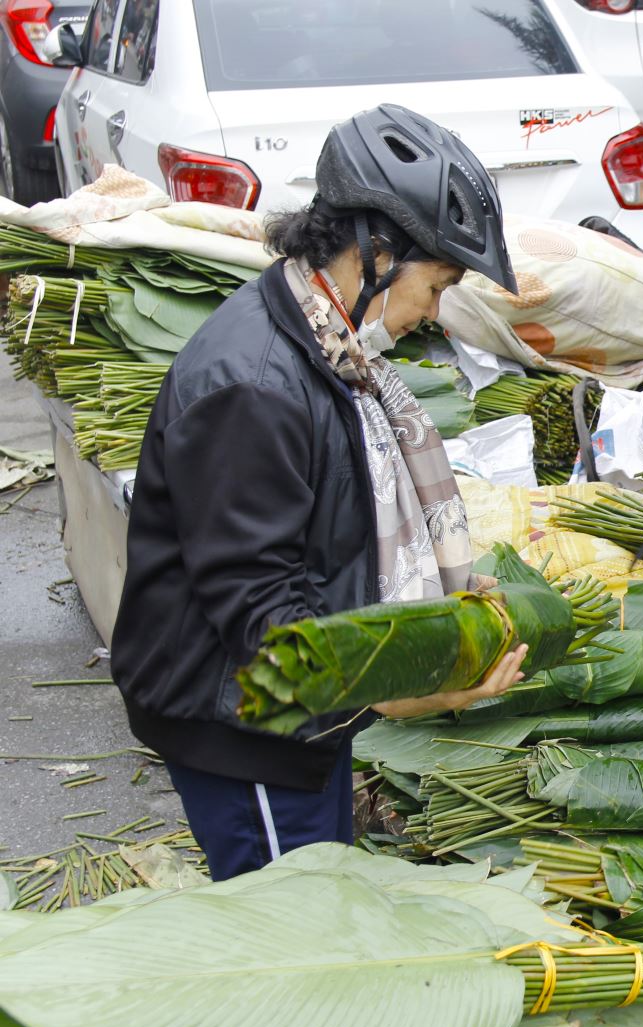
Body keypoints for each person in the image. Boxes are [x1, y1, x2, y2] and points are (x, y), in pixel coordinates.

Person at [111, 105, 527, 879]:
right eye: (436, 286)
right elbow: (262, 615)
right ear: (375, 251)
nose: (433, 313)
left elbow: (329, 534)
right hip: (247, 726)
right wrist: (402, 694)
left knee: (325, 896)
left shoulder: (327, 346)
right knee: (295, 941)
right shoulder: (257, 387)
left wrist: (443, 602)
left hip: (300, 719)